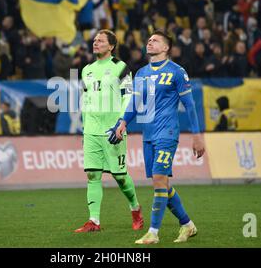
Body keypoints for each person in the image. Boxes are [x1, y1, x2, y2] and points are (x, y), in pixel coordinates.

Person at [107, 31, 204, 244]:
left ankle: (153, 232)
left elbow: (189, 105)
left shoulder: (177, 72)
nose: (150, 42)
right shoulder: (141, 73)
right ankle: (188, 225)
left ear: (166, 47)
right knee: (161, 184)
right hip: (147, 134)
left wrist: (197, 136)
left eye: (155, 40)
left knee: (160, 180)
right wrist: (122, 123)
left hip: (167, 132)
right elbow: (133, 103)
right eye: (148, 39)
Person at [74, 29, 144, 233]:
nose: (95, 43)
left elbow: (128, 97)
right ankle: (93, 221)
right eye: (95, 40)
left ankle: (135, 208)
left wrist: (122, 123)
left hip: (113, 130)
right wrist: (85, 129)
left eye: (101, 40)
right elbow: (86, 101)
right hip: (92, 131)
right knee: (92, 175)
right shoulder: (86, 69)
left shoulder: (121, 67)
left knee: (120, 176)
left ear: (111, 46)